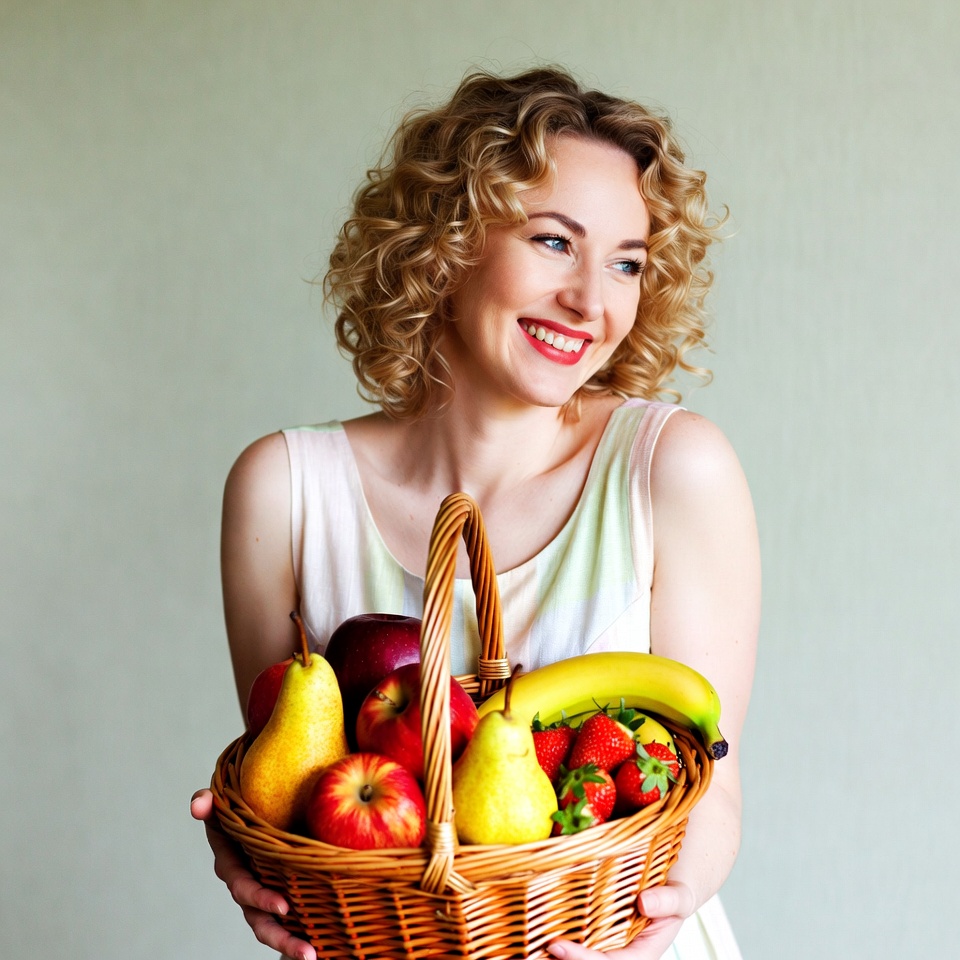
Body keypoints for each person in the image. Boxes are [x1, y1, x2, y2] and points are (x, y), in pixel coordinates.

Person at [191, 66, 760, 960]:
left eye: (626, 262)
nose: (592, 301)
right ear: (446, 243)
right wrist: (245, 848)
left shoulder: (674, 470)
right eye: (552, 242)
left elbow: (713, 792)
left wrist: (671, 902)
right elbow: (293, 792)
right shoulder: (284, 489)